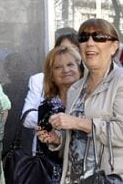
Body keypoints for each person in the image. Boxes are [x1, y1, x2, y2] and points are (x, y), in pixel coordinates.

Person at [37, 18, 123, 183]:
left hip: (108, 178)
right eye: (83, 38)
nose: (89, 42)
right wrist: (58, 140)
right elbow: (76, 140)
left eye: (99, 37)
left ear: (114, 47)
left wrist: (77, 122)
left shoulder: (120, 81)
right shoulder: (76, 89)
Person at [33, 45, 83, 181]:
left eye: (70, 64)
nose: (66, 70)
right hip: (58, 177)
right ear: (52, 76)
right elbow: (45, 155)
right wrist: (55, 142)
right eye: (58, 67)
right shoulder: (46, 107)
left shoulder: (91, 101)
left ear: (80, 69)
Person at [21, 32, 80, 130]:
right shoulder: (47, 104)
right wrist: (53, 119)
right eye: (58, 67)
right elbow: (27, 117)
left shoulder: (90, 92)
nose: (65, 69)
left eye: (74, 50)